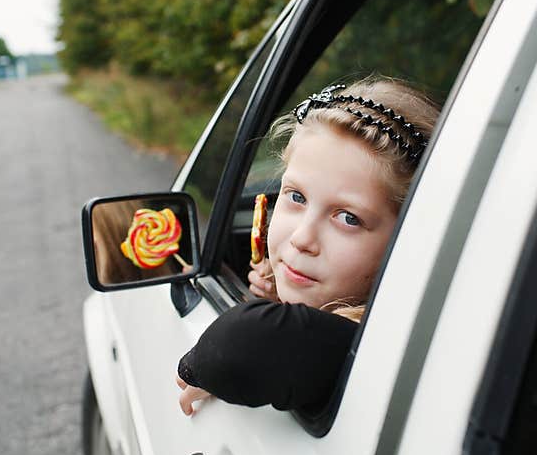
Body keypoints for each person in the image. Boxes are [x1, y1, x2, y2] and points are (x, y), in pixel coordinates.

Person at [176, 75, 439, 415]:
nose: (302, 238)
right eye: (296, 197)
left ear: (406, 238)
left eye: (347, 218)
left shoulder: (374, 345)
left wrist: (194, 366)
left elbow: (241, 345)